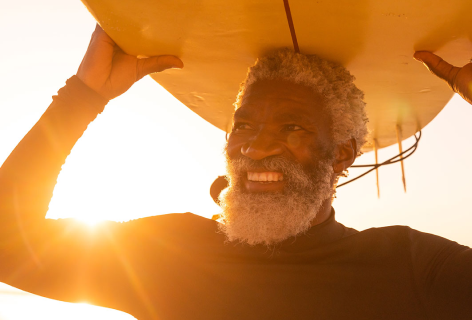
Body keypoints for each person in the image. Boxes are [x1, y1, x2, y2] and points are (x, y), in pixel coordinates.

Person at [0, 25, 471, 320]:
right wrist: (83, 95)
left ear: (343, 153)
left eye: (292, 127)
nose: (256, 146)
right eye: (243, 125)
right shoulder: (166, 255)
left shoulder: (409, 267)